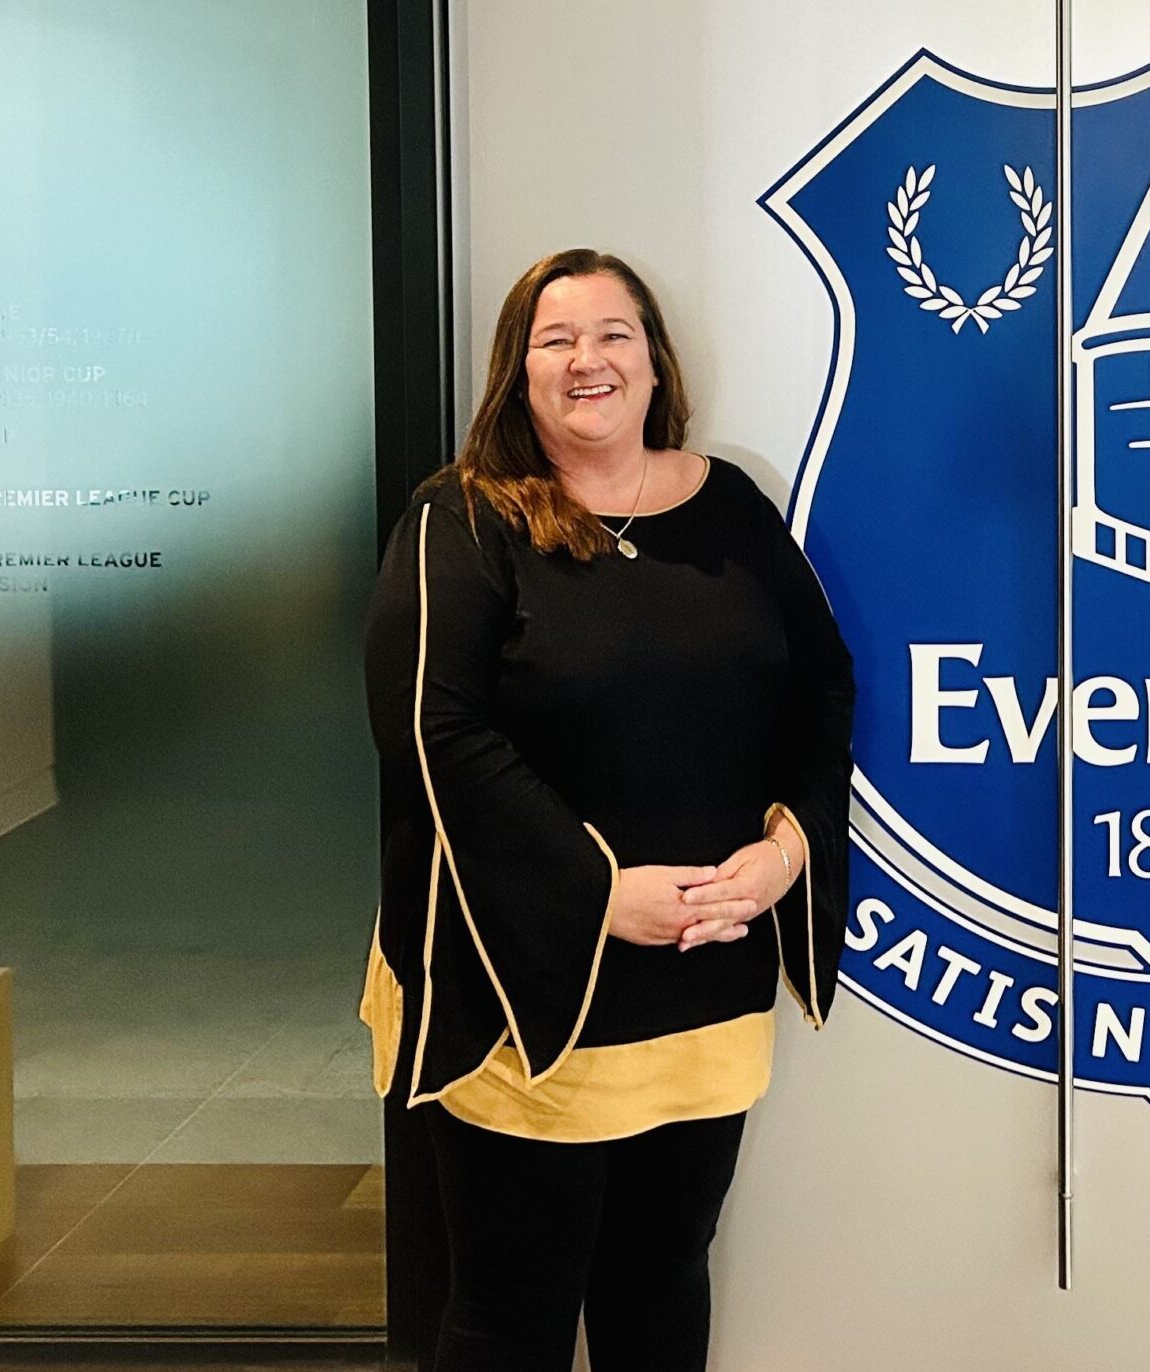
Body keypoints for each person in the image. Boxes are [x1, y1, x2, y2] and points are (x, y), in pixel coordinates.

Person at [358, 248, 854, 1370]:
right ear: (517, 372)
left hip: (703, 982)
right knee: (508, 1317)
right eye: (556, 339)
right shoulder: (462, 522)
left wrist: (788, 851)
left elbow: (822, 685)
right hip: (524, 982)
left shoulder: (728, 505)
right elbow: (433, 738)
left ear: (653, 359)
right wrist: (594, 897)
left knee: (661, 1282)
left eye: (613, 334)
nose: (588, 360)